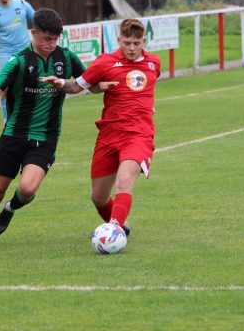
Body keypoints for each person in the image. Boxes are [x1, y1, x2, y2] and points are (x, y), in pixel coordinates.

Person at [0, 8, 86, 247]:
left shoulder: (66, 58)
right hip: (13, 136)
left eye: (55, 39)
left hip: (45, 137)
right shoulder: (17, 62)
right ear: (33, 33)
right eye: (46, 38)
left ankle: (10, 209)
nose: (51, 44)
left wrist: (105, 85)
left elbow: (90, 82)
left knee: (27, 189)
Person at [42, 19, 161, 237]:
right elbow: (76, 86)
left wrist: (147, 108)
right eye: (127, 43)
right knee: (98, 197)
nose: (132, 48)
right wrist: (60, 83)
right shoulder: (105, 63)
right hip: (109, 134)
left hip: (139, 135)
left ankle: (113, 232)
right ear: (119, 41)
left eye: (137, 43)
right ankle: (118, 225)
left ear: (144, 41)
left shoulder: (154, 63)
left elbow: (146, 89)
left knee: (125, 181)